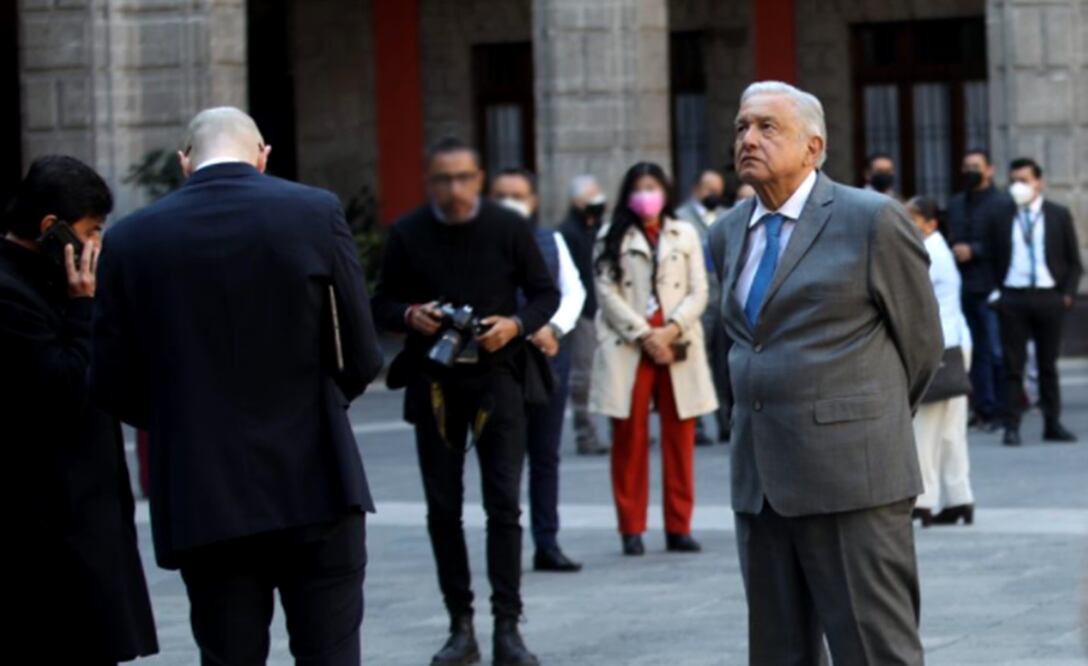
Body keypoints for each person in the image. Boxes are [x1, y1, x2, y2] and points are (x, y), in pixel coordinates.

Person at [92, 108, 384, 665]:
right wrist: (320, 404)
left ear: (184, 163)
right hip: (316, 478)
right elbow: (362, 350)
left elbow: (111, 383)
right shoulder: (315, 212)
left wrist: (182, 419)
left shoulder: (131, 240)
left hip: (205, 494)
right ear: (263, 154)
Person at [708, 81, 942, 665]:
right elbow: (741, 342)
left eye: (767, 128)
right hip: (760, 482)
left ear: (814, 148)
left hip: (853, 481)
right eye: (742, 127)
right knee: (777, 652)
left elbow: (922, 345)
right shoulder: (727, 230)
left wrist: (860, 423)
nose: (749, 139)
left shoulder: (872, 220)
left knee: (873, 650)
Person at [372, 138, 558, 666]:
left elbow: (547, 294)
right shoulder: (408, 232)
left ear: (478, 178)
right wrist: (411, 315)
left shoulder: (507, 227)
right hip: (434, 382)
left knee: (504, 506)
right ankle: (460, 626)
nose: (453, 189)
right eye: (442, 179)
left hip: (499, 377)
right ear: (429, 181)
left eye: (462, 177)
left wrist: (516, 325)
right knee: (443, 510)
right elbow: (380, 301)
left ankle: (507, 628)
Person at [1, 155, 158, 664]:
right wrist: (82, 305)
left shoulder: (53, 282)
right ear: (53, 229)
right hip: (50, 527)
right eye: (91, 231)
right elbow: (68, 386)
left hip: (84, 512)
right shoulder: (12, 294)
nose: (98, 243)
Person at [590, 161, 719, 557]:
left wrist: (671, 328)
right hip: (631, 343)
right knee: (629, 439)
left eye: (653, 186)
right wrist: (645, 334)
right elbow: (606, 292)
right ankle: (631, 527)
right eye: (639, 187)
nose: (646, 195)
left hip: (677, 342)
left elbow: (700, 289)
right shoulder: (610, 235)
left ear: (665, 190)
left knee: (681, 440)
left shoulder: (685, 234)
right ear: (628, 194)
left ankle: (679, 526)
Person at [490, 167, 586, 573]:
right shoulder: (479, 244)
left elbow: (574, 290)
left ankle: (547, 541)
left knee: (545, 455)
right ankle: (505, 541)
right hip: (497, 362)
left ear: (533, 201)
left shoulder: (551, 240)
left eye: (518, 194)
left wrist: (554, 328)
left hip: (546, 358)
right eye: (502, 194)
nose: (511, 201)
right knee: (503, 459)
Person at [991, 157, 1082, 445]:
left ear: (1038, 183)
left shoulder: (1057, 214)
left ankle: (1052, 422)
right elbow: (992, 257)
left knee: (1047, 364)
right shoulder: (1001, 215)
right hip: (1013, 296)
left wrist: (1065, 295)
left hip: (1048, 297)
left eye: (1024, 180)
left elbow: (1074, 261)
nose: (1019, 186)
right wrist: (999, 293)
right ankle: (1012, 424)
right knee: (1013, 365)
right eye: (1014, 181)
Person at [905, 196, 975, 527]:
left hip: (938, 349)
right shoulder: (938, 248)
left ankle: (923, 502)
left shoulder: (927, 253)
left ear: (930, 223)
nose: (905, 223)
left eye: (912, 218)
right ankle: (959, 499)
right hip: (955, 345)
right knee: (949, 430)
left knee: (925, 428)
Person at [947, 149, 1012, 431]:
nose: (970, 170)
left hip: (991, 287)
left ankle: (1001, 409)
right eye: (966, 166)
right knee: (973, 353)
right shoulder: (957, 203)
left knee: (996, 352)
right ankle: (982, 408)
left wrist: (974, 250)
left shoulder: (1001, 203)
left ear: (989, 170)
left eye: (976, 166)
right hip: (963, 287)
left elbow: (1007, 245)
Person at [675, 168, 731, 445]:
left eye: (718, 191)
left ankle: (725, 422)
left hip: (723, 301)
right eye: (710, 189)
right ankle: (695, 425)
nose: (714, 196)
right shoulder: (681, 219)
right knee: (696, 364)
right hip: (696, 303)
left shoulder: (726, 216)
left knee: (724, 366)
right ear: (697, 188)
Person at [558, 175, 610, 455]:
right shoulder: (568, 232)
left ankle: (619, 431)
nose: (598, 201)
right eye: (592, 196)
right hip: (584, 313)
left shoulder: (599, 228)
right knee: (584, 377)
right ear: (578, 201)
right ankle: (585, 434)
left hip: (606, 310)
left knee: (613, 372)